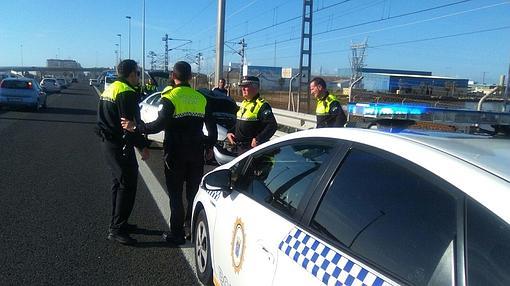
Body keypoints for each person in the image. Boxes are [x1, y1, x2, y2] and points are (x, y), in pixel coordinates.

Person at [121, 61, 217, 245]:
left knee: (175, 194)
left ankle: (176, 233)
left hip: (175, 153)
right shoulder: (201, 99)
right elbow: (211, 130)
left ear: (173, 76)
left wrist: (137, 127)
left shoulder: (170, 97)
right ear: (190, 77)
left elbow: (158, 125)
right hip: (196, 153)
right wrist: (208, 145)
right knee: (193, 193)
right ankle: (190, 228)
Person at [95, 59, 150, 245]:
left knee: (118, 184)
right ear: (131, 74)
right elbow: (129, 125)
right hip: (120, 144)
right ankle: (117, 229)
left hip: (108, 142)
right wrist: (142, 145)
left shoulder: (111, 88)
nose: (138, 78)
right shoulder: (127, 92)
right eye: (138, 74)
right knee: (127, 184)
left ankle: (119, 222)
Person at [227, 76, 277, 154]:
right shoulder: (244, 103)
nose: (243, 89)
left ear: (255, 87)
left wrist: (258, 139)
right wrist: (230, 132)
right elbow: (240, 123)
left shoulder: (262, 105)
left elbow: (272, 126)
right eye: (242, 87)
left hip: (252, 149)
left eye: (246, 86)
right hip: (240, 147)